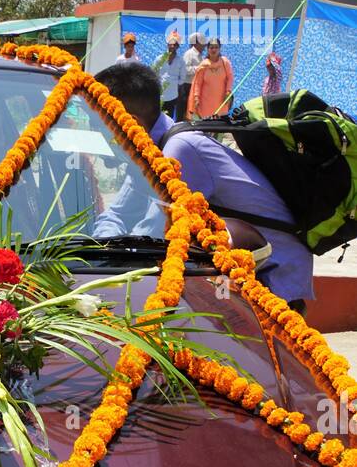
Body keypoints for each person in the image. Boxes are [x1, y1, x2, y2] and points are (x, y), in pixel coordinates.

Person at [92, 61, 313, 311]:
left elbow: (151, 237)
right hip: (233, 273)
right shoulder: (150, 152)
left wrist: (98, 273)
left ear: (130, 121)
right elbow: (118, 213)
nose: (101, 142)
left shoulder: (179, 151)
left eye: (101, 128)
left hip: (272, 275)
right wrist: (96, 251)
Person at [188, 37, 234, 120]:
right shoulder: (203, 65)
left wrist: (228, 91)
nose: (214, 50)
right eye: (211, 47)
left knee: (220, 124)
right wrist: (196, 98)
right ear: (208, 49)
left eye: (216, 47)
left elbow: (230, 77)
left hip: (221, 100)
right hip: (206, 101)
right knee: (207, 124)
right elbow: (198, 83)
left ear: (220, 48)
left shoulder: (225, 62)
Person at [153, 33, 185, 119]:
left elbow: (182, 78)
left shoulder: (180, 61)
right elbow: (153, 73)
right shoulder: (160, 58)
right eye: (170, 44)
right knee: (158, 117)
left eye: (174, 45)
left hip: (173, 95)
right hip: (160, 94)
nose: (172, 46)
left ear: (177, 46)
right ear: (167, 45)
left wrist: (174, 83)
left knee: (169, 117)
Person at [177, 32, 205, 121]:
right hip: (186, 86)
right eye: (202, 43)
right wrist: (199, 68)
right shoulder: (189, 54)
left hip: (194, 86)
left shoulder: (200, 56)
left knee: (192, 109)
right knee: (183, 108)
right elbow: (184, 70)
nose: (204, 46)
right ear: (196, 43)